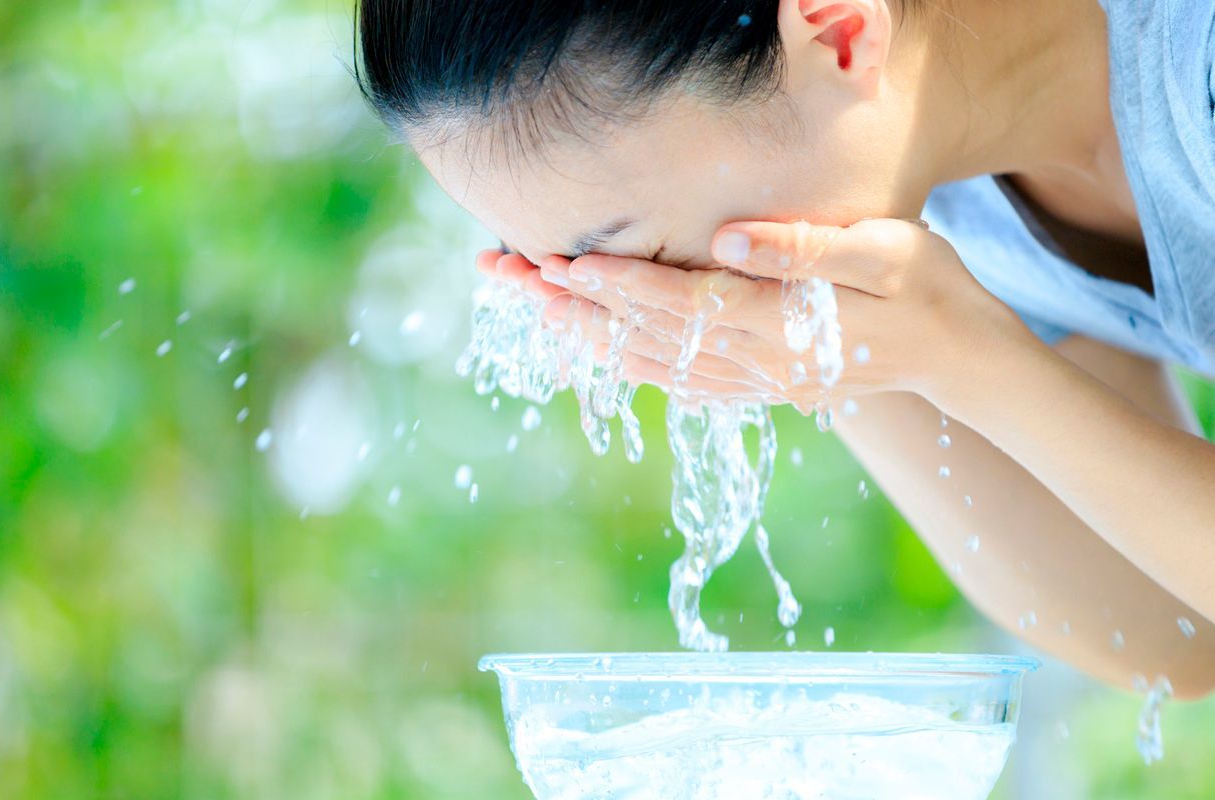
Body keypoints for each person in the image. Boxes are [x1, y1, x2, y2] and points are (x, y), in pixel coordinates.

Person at [354, 0, 1215, 697]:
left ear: (839, 33)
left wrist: (972, 359)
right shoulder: (941, 200)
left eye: (634, 256)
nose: (629, 303)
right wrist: (842, 361)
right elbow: (1167, 634)